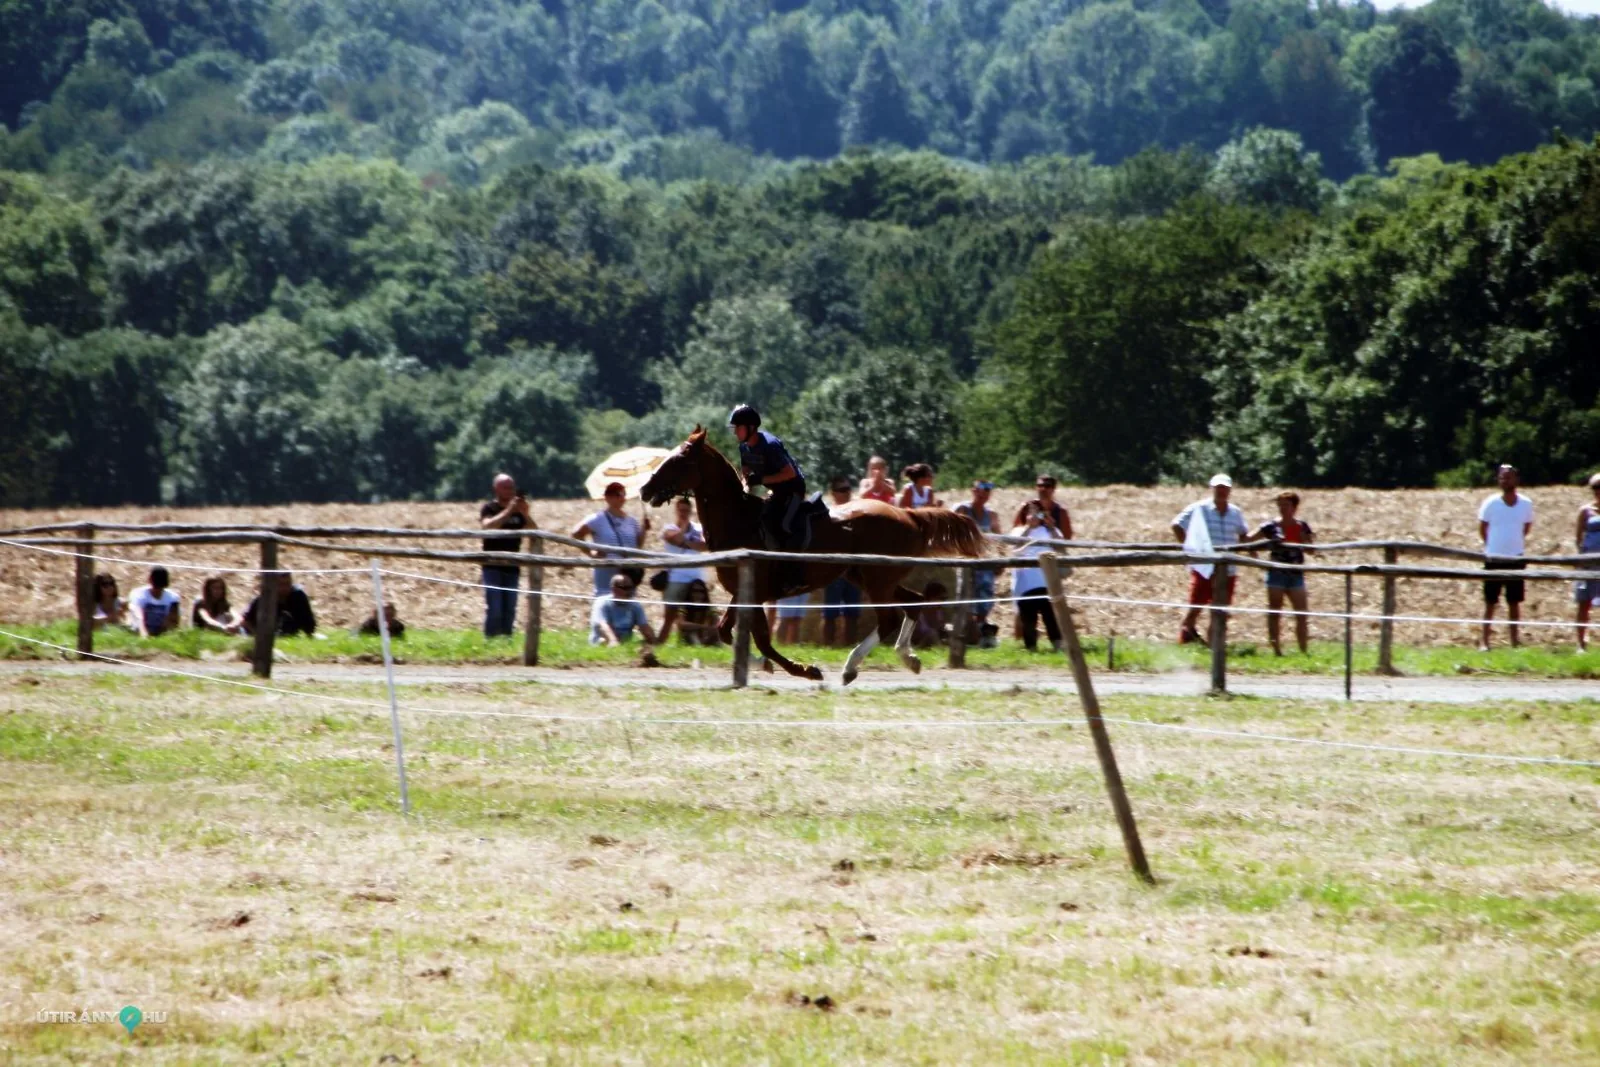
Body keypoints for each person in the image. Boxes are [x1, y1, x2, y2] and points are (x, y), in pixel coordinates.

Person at [1172, 474, 1250, 646]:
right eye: (1218, 487)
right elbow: (1177, 524)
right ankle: (1186, 635)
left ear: (1229, 490)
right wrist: (1190, 547)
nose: (1221, 491)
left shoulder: (1236, 512)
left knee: (1220, 608)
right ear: (1212, 488)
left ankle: (1214, 643)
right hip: (1205, 566)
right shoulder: (1199, 508)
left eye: (1224, 488)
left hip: (1228, 568)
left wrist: (1250, 551)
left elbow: (1243, 533)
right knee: (1196, 604)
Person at [729, 405, 806, 551]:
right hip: (776, 492)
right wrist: (743, 489)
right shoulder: (743, 447)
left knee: (783, 524)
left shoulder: (770, 445)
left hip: (793, 490)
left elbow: (790, 473)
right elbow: (745, 474)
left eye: (738, 427)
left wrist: (761, 480)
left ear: (751, 428)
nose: (735, 432)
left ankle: (792, 560)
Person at [1478, 463, 1534, 651]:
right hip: (1493, 558)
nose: (1505, 480)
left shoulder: (1526, 503)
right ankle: (1484, 642)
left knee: (1514, 601)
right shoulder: (1490, 503)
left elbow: (1526, 528)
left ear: (1516, 479)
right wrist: (1494, 546)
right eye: (1502, 477)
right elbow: (1483, 528)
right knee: (1490, 602)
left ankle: (1514, 641)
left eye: (1508, 476)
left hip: (1516, 559)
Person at [1252, 492, 1314, 656]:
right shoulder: (1270, 527)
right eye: (1280, 505)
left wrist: (1304, 540)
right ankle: (1276, 650)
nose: (1282, 509)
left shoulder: (1302, 527)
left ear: (1294, 507)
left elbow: (1312, 550)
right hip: (1276, 573)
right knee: (1274, 613)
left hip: (1296, 573)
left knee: (1301, 614)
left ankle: (1303, 650)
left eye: (1286, 505)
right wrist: (1257, 561)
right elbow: (1249, 540)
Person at [572, 480, 647, 598]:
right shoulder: (597, 519)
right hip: (606, 574)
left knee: (628, 604)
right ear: (607, 498)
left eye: (623, 494)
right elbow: (576, 533)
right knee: (604, 601)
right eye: (617, 494)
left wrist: (644, 529)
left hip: (627, 574)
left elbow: (637, 546)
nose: (621, 497)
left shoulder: (632, 521)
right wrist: (591, 553)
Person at [480, 473, 532, 638]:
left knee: (510, 608)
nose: (510, 491)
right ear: (496, 489)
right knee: (494, 607)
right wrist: (509, 510)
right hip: (492, 565)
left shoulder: (519, 513)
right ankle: (491, 639)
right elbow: (488, 526)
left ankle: (506, 639)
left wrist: (524, 513)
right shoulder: (489, 508)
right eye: (506, 487)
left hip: (512, 565)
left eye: (512, 487)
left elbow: (534, 532)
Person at [657, 497, 710, 645]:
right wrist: (685, 529)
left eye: (686, 510)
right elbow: (674, 539)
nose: (684, 513)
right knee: (669, 615)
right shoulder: (669, 528)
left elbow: (705, 546)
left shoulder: (699, 528)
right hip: (676, 578)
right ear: (676, 510)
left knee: (702, 613)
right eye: (681, 510)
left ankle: (699, 641)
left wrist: (685, 543)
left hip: (697, 577)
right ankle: (660, 643)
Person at [954, 480, 999, 646]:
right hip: (966, 562)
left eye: (987, 491)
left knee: (984, 601)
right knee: (965, 598)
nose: (983, 494)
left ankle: (980, 633)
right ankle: (965, 634)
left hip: (984, 564)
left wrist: (1000, 560)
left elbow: (999, 538)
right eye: (981, 490)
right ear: (974, 491)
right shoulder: (962, 510)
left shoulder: (991, 515)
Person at [1011, 505, 1062, 651]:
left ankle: (1058, 644)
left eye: (1038, 513)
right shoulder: (1018, 531)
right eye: (1030, 513)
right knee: (1028, 618)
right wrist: (1028, 528)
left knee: (1050, 616)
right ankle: (1031, 647)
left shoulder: (1050, 531)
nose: (1034, 516)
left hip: (1046, 580)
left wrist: (1052, 527)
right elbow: (1015, 550)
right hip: (1025, 582)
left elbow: (1061, 548)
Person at [822, 476, 862, 647]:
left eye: (848, 489)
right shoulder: (827, 514)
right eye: (842, 489)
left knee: (853, 614)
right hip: (834, 571)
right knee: (830, 614)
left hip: (853, 568)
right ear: (833, 493)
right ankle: (828, 647)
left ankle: (849, 647)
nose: (846, 493)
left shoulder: (858, 513)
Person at [589, 574, 657, 646]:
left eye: (631, 588)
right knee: (603, 641)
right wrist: (613, 641)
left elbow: (644, 626)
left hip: (624, 642)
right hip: (603, 640)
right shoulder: (602, 602)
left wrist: (653, 640)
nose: (629, 591)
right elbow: (603, 626)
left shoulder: (635, 605)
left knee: (645, 644)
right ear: (614, 589)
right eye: (625, 588)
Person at [243, 572, 317, 637]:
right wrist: (258, 636)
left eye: (288, 584)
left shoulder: (298, 596)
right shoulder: (264, 598)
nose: (285, 588)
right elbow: (247, 621)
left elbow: (309, 623)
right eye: (281, 584)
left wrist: (310, 634)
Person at [1575, 473, 1600, 652]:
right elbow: (1578, 537)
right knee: (1584, 602)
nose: (1598, 492)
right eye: (1595, 488)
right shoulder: (1585, 511)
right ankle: (1581, 643)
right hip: (1588, 562)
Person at [1011, 475, 1072, 539]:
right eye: (1039, 486)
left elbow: (1067, 538)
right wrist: (1029, 526)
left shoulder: (1060, 512)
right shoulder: (1026, 508)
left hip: (1051, 547)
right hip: (1027, 545)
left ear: (1053, 489)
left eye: (1047, 486)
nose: (1043, 489)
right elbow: (1015, 532)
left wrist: (1052, 528)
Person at [129, 567, 181, 638]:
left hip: (162, 631)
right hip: (141, 629)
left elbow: (173, 620)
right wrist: (144, 634)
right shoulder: (139, 594)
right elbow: (138, 616)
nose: (157, 589)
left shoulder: (173, 597)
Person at [677, 579, 720, 647]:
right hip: (690, 637)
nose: (698, 594)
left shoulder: (709, 607)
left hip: (706, 636)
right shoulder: (684, 606)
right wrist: (701, 627)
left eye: (701, 592)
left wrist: (711, 631)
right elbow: (681, 624)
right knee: (690, 633)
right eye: (694, 591)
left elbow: (717, 623)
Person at [912, 580, 950, 648]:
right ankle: (941, 650)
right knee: (932, 633)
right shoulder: (919, 610)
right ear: (931, 597)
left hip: (934, 638)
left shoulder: (939, 611)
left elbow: (941, 626)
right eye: (941, 598)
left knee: (950, 629)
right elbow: (916, 633)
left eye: (945, 599)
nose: (943, 601)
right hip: (920, 639)